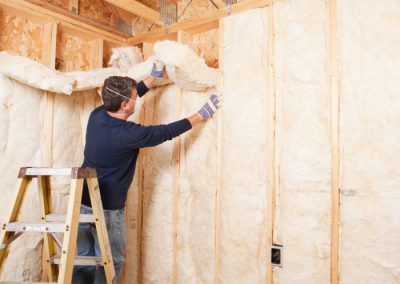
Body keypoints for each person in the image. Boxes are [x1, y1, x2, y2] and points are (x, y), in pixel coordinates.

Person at [72, 61, 220, 283]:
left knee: (83, 258)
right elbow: (166, 132)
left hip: (82, 201)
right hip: (108, 210)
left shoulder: (98, 115)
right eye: (133, 98)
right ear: (124, 105)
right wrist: (202, 113)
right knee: (111, 261)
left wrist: (152, 78)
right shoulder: (129, 134)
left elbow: (127, 96)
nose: (135, 100)